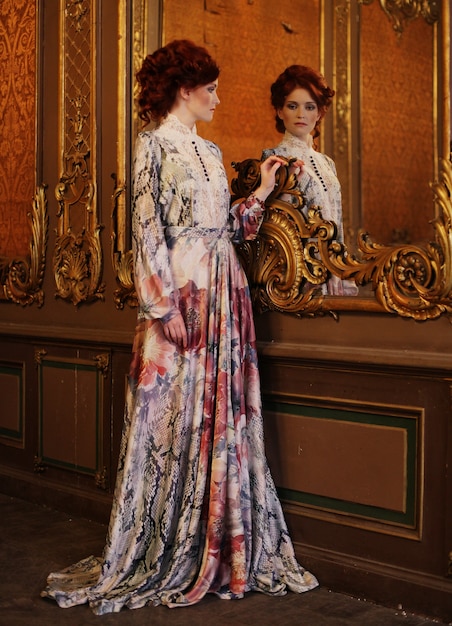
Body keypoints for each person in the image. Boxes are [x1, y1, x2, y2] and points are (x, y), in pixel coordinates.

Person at [41, 40, 318, 614]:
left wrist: (261, 194)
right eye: (211, 89)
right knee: (166, 426)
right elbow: (145, 234)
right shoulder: (153, 148)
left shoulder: (210, 153)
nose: (218, 98)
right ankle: (163, 546)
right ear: (185, 90)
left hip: (225, 299)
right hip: (179, 308)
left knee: (221, 422)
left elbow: (227, 231)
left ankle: (215, 541)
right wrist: (165, 311)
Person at [262, 65, 358, 296]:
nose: (301, 114)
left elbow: (338, 223)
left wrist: (340, 268)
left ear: (320, 112)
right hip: (301, 273)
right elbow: (278, 224)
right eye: (292, 106)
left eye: (309, 107)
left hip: (333, 269)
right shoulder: (274, 158)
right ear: (279, 111)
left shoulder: (327, 163)